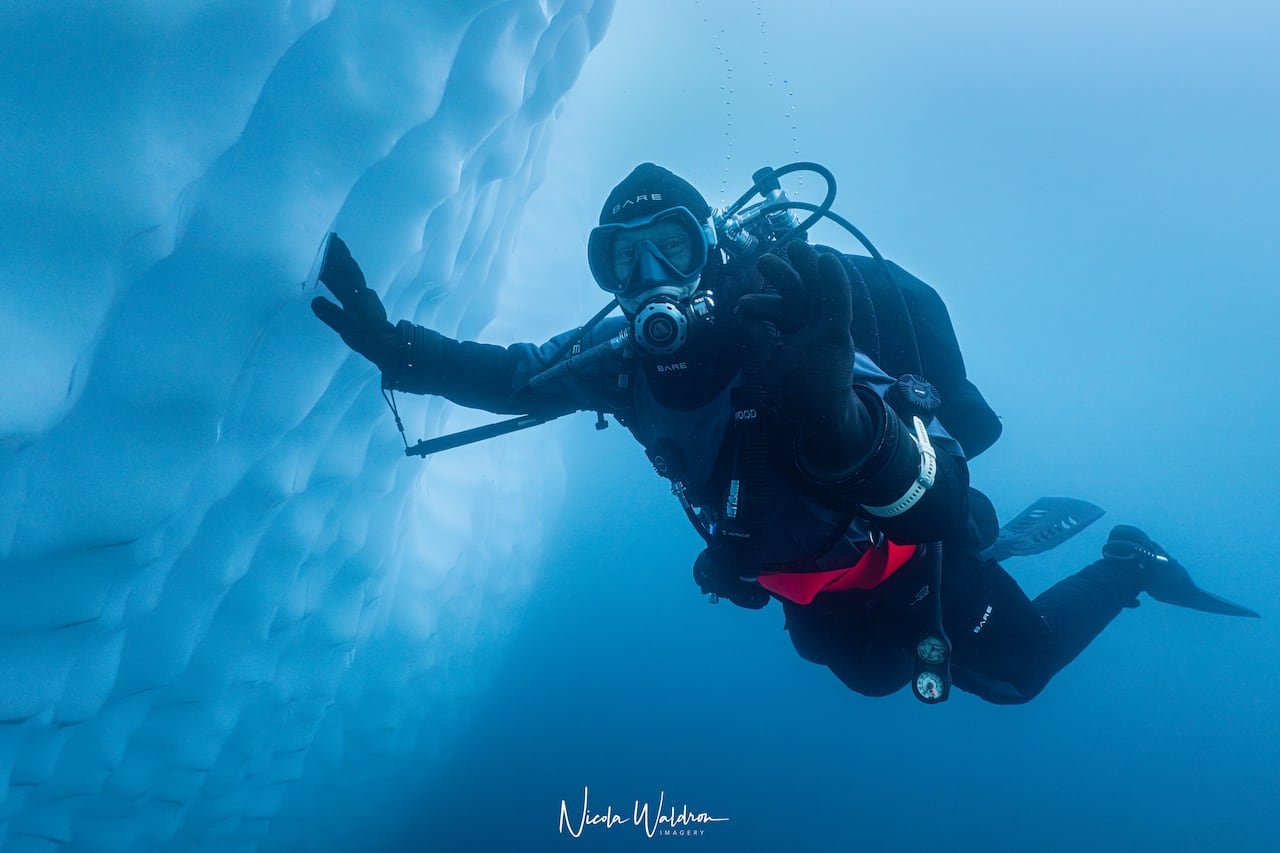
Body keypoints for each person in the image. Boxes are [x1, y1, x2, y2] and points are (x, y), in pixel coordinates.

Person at [311, 163, 1258, 705]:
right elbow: (516, 375)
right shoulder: (620, 360)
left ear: (709, 249)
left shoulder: (792, 329)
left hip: (912, 555)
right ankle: (1010, 550)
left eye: (668, 248)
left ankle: (1129, 563)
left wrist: (839, 408)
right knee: (875, 681)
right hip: (803, 584)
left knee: (1013, 678)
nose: (648, 278)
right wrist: (400, 350)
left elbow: (939, 502)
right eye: (624, 261)